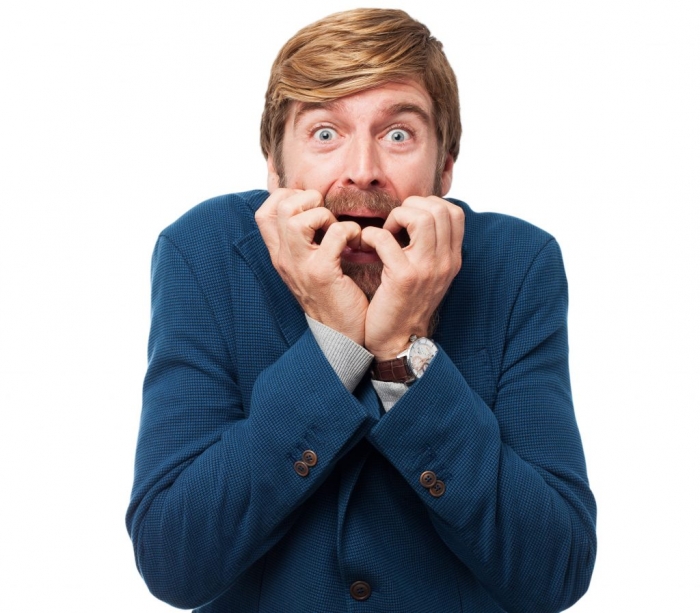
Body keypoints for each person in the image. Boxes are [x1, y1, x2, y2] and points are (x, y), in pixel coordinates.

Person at [126, 8, 596, 612]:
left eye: (398, 135)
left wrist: (404, 355)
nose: (363, 171)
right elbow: (174, 563)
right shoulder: (204, 253)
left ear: (445, 165)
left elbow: (556, 571)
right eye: (325, 133)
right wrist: (333, 347)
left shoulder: (518, 264)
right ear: (274, 167)